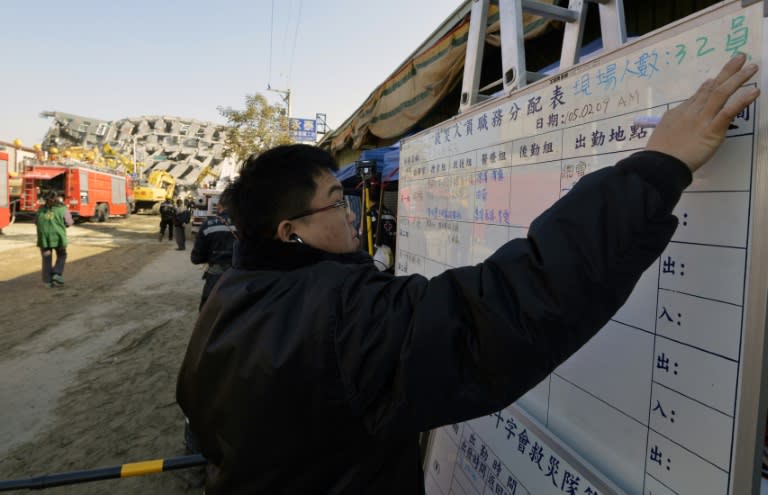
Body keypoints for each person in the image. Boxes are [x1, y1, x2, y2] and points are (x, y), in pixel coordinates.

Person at [176, 56, 760, 494]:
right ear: (289, 231)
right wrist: (658, 169)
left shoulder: (232, 293)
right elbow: (509, 306)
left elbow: (200, 417)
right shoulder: (341, 315)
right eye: (336, 200)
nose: (351, 211)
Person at [190, 200, 237, 310]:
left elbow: (196, 258)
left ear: (219, 206)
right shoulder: (246, 224)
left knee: (209, 313)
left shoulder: (208, 224)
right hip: (241, 278)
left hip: (215, 278)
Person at [36, 191, 74, 288]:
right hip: (58, 238)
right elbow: (69, 223)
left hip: (44, 239)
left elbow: (36, 222)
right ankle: (57, 273)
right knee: (62, 254)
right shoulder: (63, 209)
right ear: (57, 198)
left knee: (46, 259)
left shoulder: (40, 209)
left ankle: (47, 282)